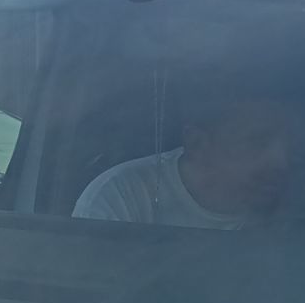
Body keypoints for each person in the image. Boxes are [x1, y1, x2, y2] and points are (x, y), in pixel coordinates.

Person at [74, 95, 290, 228]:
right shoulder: (121, 195)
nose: (282, 160)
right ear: (198, 144)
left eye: (289, 143)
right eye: (256, 142)